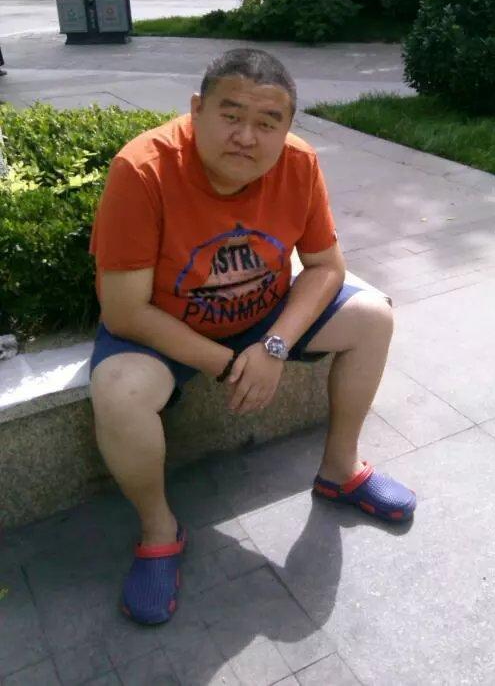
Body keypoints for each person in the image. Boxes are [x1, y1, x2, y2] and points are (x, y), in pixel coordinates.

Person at [89, 48, 416, 626]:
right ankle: (159, 530)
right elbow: (124, 311)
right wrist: (227, 364)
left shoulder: (298, 163)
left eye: (268, 122)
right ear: (196, 110)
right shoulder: (142, 171)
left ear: (286, 128)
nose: (246, 137)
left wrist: (273, 346)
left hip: (265, 315)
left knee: (374, 317)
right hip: (167, 326)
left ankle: (340, 471)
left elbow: (326, 267)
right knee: (119, 390)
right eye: (230, 115)